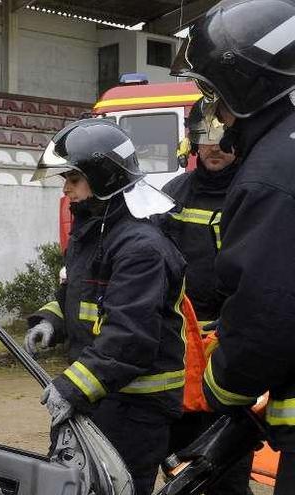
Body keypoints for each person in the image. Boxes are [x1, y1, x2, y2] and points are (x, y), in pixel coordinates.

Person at [169, 2, 295, 493]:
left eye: (214, 94)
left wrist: (221, 386)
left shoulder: (271, 174)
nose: (213, 114)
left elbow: (268, 312)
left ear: (243, 88)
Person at [26, 119, 185, 495]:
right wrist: (51, 319)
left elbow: (129, 338)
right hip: (101, 396)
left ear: (104, 180)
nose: (66, 189)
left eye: (74, 179)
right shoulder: (93, 230)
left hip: (136, 408)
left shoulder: (140, 248)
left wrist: (71, 388)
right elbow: (75, 294)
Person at [157, 99, 250, 495]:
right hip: (180, 352)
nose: (216, 147)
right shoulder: (172, 194)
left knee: (226, 468)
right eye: (206, 137)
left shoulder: (254, 192)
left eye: (223, 136)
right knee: (180, 465)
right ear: (194, 142)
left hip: (232, 351)